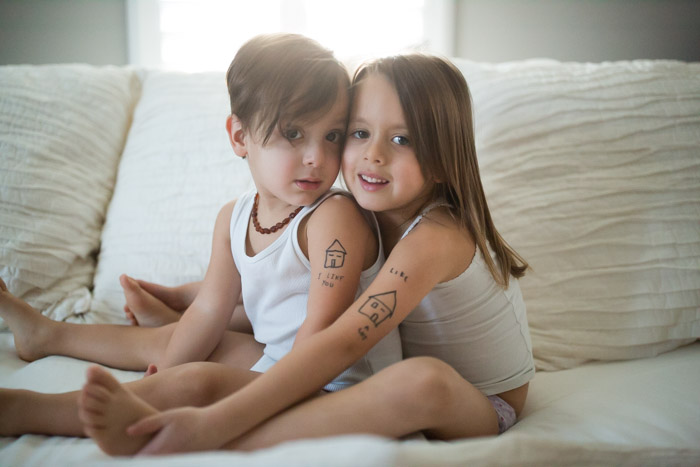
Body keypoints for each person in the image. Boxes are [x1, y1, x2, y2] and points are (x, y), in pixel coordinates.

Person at [73, 53, 535, 456]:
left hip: (481, 403)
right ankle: (48, 378)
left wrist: (220, 418)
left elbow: (346, 339)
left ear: (441, 158)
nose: (372, 155)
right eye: (357, 133)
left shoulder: (437, 235)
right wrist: (183, 297)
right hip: (380, 373)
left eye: (402, 139)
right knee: (204, 356)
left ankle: (210, 436)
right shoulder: (363, 212)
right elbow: (277, 284)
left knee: (421, 381)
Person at [0, 34, 401, 445]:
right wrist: (168, 368)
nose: (317, 156)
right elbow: (209, 310)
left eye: (333, 135)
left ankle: (25, 409)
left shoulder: (334, 217)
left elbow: (321, 335)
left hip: (337, 387)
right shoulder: (234, 217)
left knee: (198, 380)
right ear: (239, 137)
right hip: (278, 360)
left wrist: (176, 382)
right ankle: (49, 335)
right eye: (294, 133)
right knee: (181, 342)